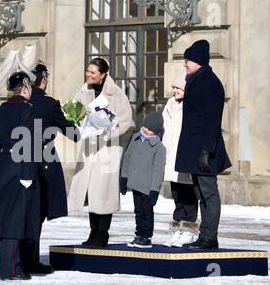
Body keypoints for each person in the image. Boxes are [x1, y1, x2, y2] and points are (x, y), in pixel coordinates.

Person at [19, 62, 80, 275]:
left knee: (22, 211)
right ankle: (30, 260)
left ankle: (19, 258)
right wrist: (78, 120)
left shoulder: (15, 102)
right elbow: (73, 134)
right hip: (42, 161)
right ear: (43, 79)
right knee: (37, 213)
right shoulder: (48, 104)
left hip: (17, 161)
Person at [68, 57, 133, 247]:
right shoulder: (83, 91)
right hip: (90, 148)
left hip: (107, 150)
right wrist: (77, 121)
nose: (88, 75)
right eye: (87, 71)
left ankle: (102, 233)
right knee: (92, 192)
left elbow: (125, 119)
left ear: (103, 74)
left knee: (104, 192)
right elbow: (74, 114)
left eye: (93, 72)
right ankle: (93, 232)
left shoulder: (116, 94)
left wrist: (107, 126)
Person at [0, 71, 40, 280]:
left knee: (2, 220)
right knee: (15, 222)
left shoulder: (0, 110)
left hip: (3, 166)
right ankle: (11, 270)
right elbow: (30, 144)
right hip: (20, 167)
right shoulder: (27, 111)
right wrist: (27, 173)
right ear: (25, 87)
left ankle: (2, 268)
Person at [176, 40, 232, 250]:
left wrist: (206, 150)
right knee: (201, 193)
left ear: (198, 61)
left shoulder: (209, 82)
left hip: (204, 149)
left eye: (188, 60)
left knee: (209, 193)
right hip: (195, 148)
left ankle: (210, 237)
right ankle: (205, 235)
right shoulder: (197, 79)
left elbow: (211, 120)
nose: (185, 64)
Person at [162, 73, 199, 247]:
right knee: (177, 196)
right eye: (174, 88)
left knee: (189, 196)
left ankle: (189, 230)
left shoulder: (192, 105)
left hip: (185, 157)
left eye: (178, 88)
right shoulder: (169, 105)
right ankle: (177, 229)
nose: (175, 90)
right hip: (171, 157)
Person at [120, 112, 166, 248]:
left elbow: (158, 171)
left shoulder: (159, 148)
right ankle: (139, 234)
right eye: (145, 126)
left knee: (147, 212)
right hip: (135, 183)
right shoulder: (135, 139)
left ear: (156, 131)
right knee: (138, 211)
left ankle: (146, 237)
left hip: (147, 186)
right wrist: (124, 178)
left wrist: (154, 190)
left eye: (150, 129)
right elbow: (127, 158)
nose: (146, 129)